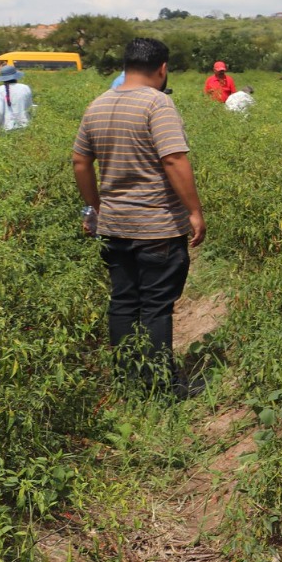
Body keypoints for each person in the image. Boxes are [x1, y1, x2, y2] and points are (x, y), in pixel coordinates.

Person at [71, 38, 206, 395]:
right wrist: (194, 211)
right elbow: (174, 159)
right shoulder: (157, 103)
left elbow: (80, 161)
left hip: (114, 225)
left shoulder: (97, 105)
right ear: (162, 69)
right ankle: (162, 386)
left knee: (123, 302)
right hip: (157, 226)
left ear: (126, 65)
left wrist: (95, 207)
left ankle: (128, 380)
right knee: (156, 307)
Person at [0, 64, 34, 132]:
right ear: (16, 76)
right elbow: (29, 108)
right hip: (26, 128)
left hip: (8, 130)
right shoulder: (25, 88)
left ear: (3, 78)